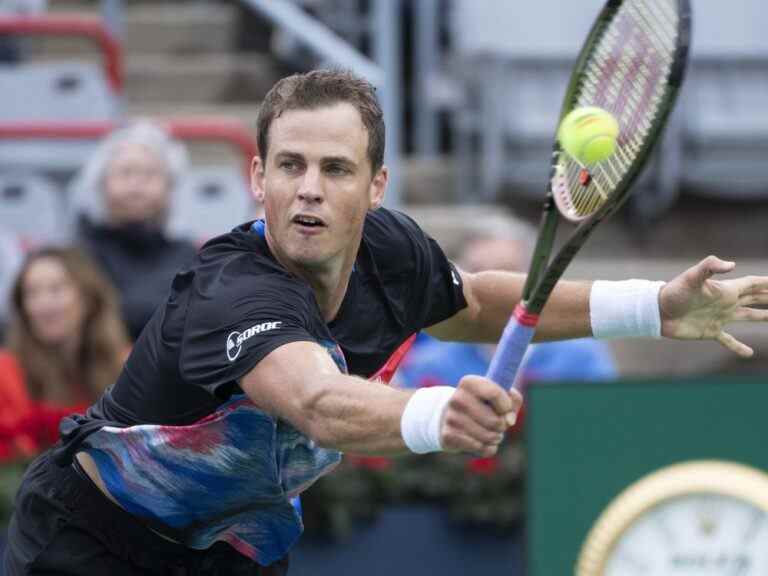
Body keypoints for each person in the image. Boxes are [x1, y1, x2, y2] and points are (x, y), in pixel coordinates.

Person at [4, 69, 768, 575]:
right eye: (290, 165)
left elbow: (477, 304)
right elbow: (317, 402)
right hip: (91, 540)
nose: (309, 189)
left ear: (375, 187)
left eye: (335, 169)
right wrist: (440, 412)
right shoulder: (231, 289)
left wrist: (655, 307)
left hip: (230, 546)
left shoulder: (391, 252)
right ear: (256, 178)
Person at [397, 218, 618, 390]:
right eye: (477, 275)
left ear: (538, 279)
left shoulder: (581, 356)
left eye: (507, 273)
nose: (491, 288)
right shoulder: (429, 363)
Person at [69, 120, 199, 341]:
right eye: (125, 173)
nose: (136, 185)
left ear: (170, 188)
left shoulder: (186, 255)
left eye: (149, 174)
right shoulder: (80, 252)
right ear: (100, 183)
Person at [0, 247, 130, 462]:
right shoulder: (6, 372)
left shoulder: (126, 364)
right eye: (31, 293)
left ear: (88, 297)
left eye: (56, 289)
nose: (43, 304)